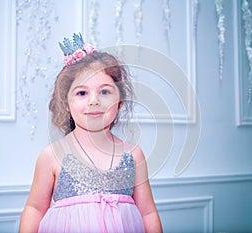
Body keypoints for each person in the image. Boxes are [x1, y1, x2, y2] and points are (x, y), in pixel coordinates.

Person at [19, 33, 162, 233]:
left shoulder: (133, 155)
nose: (94, 101)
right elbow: (34, 208)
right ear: (66, 103)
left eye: (104, 92)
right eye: (82, 93)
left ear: (120, 102)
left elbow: (148, 213)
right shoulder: (52, 155)